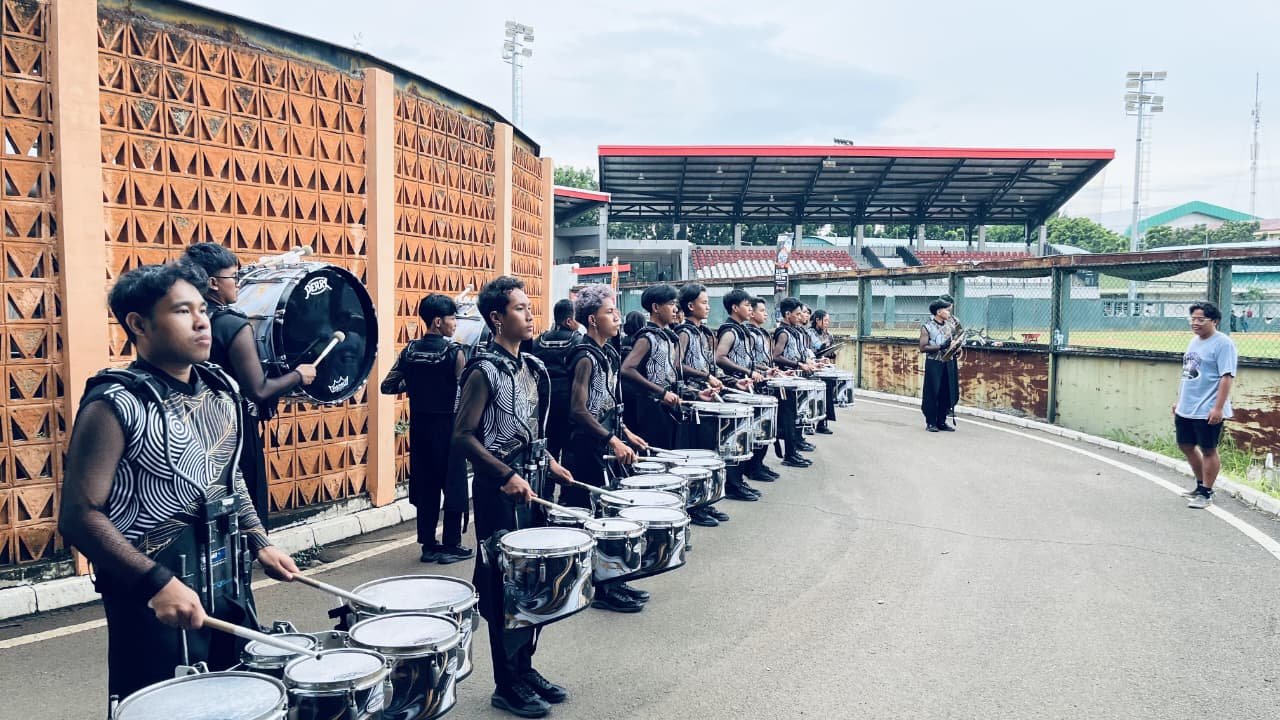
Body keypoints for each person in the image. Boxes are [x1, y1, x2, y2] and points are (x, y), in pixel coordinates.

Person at [58, 262, 299, 702]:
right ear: (138, 324)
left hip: (228, 581)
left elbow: (228, 478)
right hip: (152, 594)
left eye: (202, 309)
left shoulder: (220, 387)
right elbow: (79, 516)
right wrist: (156, 583)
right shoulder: (114, 403)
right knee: (163, 703)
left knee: (241, 698)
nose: (202, 320)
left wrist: (259, 540)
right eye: (182, 311)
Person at [453, 276, 575, 718]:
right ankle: (506, 682)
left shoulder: (531, 367)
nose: (529, 314)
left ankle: (525, 668)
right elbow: (463, 437)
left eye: (529, 306)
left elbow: (532, 431)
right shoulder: (482, 370)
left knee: (533, 582)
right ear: (496, 318)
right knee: (505, 587)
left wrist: (550, 464)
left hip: (534, 486)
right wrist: (505, 474)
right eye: (520, 308)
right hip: (498, 493)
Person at [182, 243, 317, 520]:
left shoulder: (181, 321)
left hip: (192, 428)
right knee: (244, 508)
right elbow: (258, 390)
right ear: (213, 283)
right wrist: (298, 375)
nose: (239, 283)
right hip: (233, 431)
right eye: (234, 276)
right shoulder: (233, 325)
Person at [560, 284, 652, 613]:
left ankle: (613, 578)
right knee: (594, 519)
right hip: (586, 450)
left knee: (609, 515)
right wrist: (611, 439)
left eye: (616, 311)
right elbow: (579, 410)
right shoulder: (584, 356)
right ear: (592, 320)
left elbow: (607, 406)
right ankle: (600, 588)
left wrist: (624, 431)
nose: (617, 317)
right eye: (609, 312)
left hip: (604, 444)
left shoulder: (609, 352)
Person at [380, 294, 473, 564]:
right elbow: (464, 392)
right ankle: (452, 545)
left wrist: (416, 384)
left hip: (420, 427)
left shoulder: (409, 351)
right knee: (453, 485)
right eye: (452, 318)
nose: (455, 324)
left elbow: (388, 386)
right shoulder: (455, 353)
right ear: (437, 321)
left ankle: (428, 545)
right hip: (449, 427)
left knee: (427, 485)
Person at [621, 284, 703, 451]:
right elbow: (627, 369)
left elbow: (671, 375)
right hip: (650, 411)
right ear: (656, 307)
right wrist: (662, 393)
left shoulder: (666, 337)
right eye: (671, 304)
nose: (675, 309)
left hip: (666, 408)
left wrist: (697, 393)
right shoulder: (648, 337)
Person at [1176, 302, 1238, 509]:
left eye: (1200, 319)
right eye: (1192, 319)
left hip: (1208, 408)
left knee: (1208, 449)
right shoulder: (1194, 342)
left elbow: (1226, 377)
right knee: (1185, 445)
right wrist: (1180, 401)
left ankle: (1206, 492)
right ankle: (1200, 484)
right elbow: (1189, 374)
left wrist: (1218, 408)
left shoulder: (1223, 344)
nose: (1195, 323)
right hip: (1188, 406)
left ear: (1214, 321)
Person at [715, 289, 773, 498]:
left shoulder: (742, 331)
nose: (750, 309)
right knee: (735, 440)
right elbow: (720, 357)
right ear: (734, 307)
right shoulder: (730, 331)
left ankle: (740, 479)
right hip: (735, 389)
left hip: (745, 386)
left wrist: (763, 370)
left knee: (745, 438)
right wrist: (747, 373)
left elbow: (746, 360)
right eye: (747, 305)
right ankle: (732, 484)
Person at [530, 299, 581, 465]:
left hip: (544, 400)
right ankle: (567, 486)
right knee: (570, 448)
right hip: (568, 402)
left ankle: (546, 488)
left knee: (548, 448)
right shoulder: (578, 341)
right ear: (568, 321)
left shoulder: (539, 340)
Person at [772, 297, 817, 463]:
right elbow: (776, 356)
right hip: (786, 383)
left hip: (794, 380)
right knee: (788, 419)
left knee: (794, 417)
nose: (800, 317)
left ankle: (793, 450)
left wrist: (810, 362)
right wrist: (798, 364)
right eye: (797, 314)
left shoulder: (794, 331)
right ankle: (789, 454)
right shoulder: (783, 333)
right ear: (787, 314)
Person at [919, 298, 959, 432]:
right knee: (932, 392)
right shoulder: (927, 327)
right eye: (947, 310)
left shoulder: (951, 326)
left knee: (947, 392)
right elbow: (923, 347)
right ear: (939, 311)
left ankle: (942, 421)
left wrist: (957, 349)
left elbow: (955, 342)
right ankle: (931, 422)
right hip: (934, 363)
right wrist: (941, 346)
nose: (949, 313)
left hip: (949, 362)